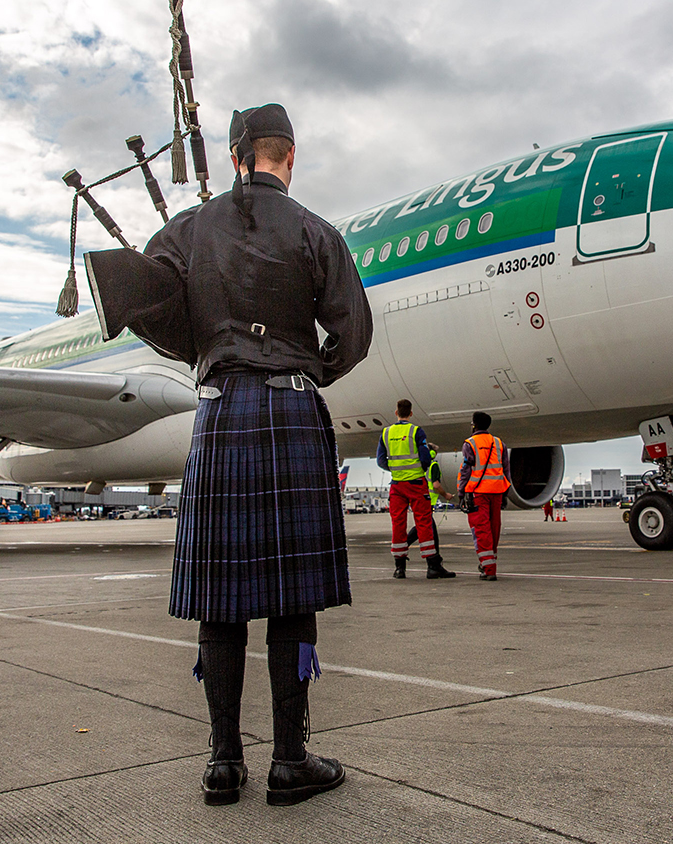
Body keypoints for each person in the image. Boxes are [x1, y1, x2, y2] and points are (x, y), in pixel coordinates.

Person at [143, 103, 373, 807]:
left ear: (237, 154)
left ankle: (221, 764)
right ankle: (289, 762)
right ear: (288, 157)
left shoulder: (185, 230)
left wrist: (207, 350)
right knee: (292, 600)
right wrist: (309, 368)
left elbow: (151, 310)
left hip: (219, 411)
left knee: (221, 601)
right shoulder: (315, 230)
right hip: (291, 409)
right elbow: (354, 332)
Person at [377, 399, 453, 579]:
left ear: (396, 412)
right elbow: (426, 458)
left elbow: (381, 461)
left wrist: (396, 469)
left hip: (396, 486)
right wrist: (424, 462)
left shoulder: (386, 433)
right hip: (416, 484)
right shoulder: (416, 431)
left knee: (398, 524)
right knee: (424, 523)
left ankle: (399, 568)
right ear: (411, 413)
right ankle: (433, 566)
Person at [458, 411, 511, 580]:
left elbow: (466, 470)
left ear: (474, 425)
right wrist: (506, 492)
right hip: (496, 491)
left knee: (481, 529)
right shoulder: (498, 443)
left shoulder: (470, 443)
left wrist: (461, 492)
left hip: (479, 492)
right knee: (494, 528)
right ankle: (490, 563)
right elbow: (506, 469)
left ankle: (488, 569)